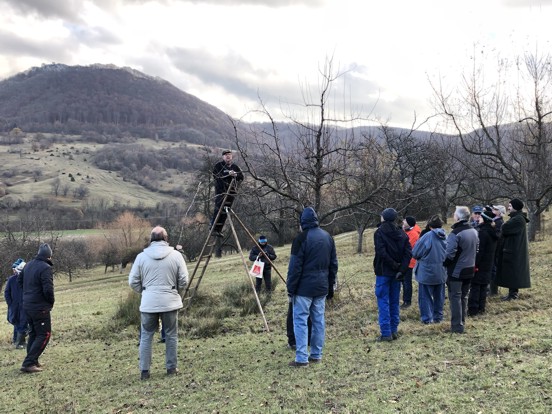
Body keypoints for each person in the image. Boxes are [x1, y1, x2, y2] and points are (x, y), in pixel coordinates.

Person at [129, 226, 189, 380]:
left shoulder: (141, 257)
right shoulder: (176, 255)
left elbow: (133, 281)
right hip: (170, 301)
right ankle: (171, 368)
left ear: (151, 239)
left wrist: (145, 291)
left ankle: (144, 371)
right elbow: (184, 280)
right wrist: (175, 290)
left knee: (146, 336)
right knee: (171, 335)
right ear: (166, 238)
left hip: (149, 302)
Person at [287, 207, 338, 367]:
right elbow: (333, 265)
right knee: (318, 320)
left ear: (302, 223)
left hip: (303, 288)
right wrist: (330, 286)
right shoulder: (328, 237)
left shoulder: (301, 239)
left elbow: (294, 267)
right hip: (321, 287)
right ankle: (316, 354)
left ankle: (302, 358)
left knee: (300, 320)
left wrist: (291, 288)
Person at [373, 208, 412, 341]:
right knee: (394, 301)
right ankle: (394, 330)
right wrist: (401, 269)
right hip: (397, 273)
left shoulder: (379, 233)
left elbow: (381, 252)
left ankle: (386, 333)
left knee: (383, 301)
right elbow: (408, 253)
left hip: (384, 272)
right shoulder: (402, 233)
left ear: (384, 218)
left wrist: (395, 266)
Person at [17, 243, 54, 373]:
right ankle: (29, 363)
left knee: (34, 333)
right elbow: (48, 289)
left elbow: (19, 281)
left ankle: (33, 361)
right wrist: (50, 302)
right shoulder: (45, 268)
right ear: (49, 256)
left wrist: (28, 294)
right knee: (44, 334)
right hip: (40, 307)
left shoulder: (28, 265)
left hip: (27, 305)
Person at [444, 206, 479, 334]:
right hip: (470, 269)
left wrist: (445, 264)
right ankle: (462, 321)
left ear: (458, 217)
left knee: (455, 298)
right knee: (464, 297)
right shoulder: (474, 231)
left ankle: (457, 326)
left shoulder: (455, 233)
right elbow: (477, 249)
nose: (453, 215)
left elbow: (449, 253)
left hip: (456, 271)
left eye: (454, 213)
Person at [412, 215, 447, 324]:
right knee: (439, 297)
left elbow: (415, 252)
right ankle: (438, 317)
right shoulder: (447, 236)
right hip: (441, 271)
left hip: (427, 272)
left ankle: (427, 319)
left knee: (425, 297)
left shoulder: (427, 237)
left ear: (430, 226)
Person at [495, 198, 531, 301]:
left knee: (514, 273)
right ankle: (512, 293)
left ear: (515, 207)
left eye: (510, 206)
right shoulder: (516, 218)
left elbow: (505, 228)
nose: (508, 208)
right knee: (512, 273)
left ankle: (513, 294)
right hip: (513, 250)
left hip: (515, 251)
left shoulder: (518, 219)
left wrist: (503, 225)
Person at [468, 207, 498, 316]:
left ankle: (473, 310)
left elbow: (479, 252)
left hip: (480, 265)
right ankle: (481, 308)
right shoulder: (493, 232)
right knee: (483, 287)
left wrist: (475, 264)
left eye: (480, 216)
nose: (478, 218)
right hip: (488, 264)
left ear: (484, 219)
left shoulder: (483, 233)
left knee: (475, 287)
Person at [210, 150, 244, 236]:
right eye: (226, 155)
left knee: (226, 210)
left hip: (231, 192)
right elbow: (216, 175)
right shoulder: (218, 166)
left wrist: (235, 175)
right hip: (221, 191)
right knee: (218, 209)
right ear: (223, 157)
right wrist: (227, 173)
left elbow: (241, 177)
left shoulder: (235, 167)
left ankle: (219, 230)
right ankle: (213, 228)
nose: (228, 156)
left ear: (232, 156)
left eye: (229, 155)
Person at [4, 259, 27, 349]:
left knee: (23, 323)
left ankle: (20, 342)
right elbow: (7, 293)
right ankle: (16, 341)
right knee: (16, 323)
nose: (13, 270)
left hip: (24, 305)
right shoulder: (11, 280)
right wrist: (11, 304)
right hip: (15, 306)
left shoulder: (26, 279)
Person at [401, 216, 421, 309]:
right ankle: (405, 300)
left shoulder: (413, 234)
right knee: (404, 281)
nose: (402, 223)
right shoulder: (408, 232)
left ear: (409, 224)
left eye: (404, 222)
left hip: (410, 262)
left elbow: (406, 248)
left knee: (406, 282)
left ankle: (407, 301)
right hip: (405, 261)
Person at [489, 204, 506, 296]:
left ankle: (493, 291)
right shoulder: (495, 220)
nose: (493, 210)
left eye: (495, 209)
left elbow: (498, 236)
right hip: (495, 247)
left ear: (500, 212)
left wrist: (492, 228)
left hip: (496, 248)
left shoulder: (499, 222)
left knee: (493, 268)